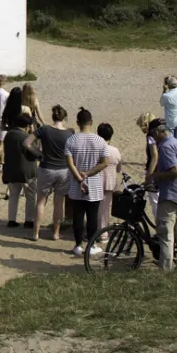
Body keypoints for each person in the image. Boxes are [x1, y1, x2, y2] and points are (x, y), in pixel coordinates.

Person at [64, 107, 110, 258]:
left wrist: (79, 178)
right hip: (94, 184)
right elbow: (104, 163)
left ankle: (78, 245)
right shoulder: (100, 141)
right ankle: (92, 245)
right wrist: (89, 173)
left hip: (76, 184)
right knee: (92, 216)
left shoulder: (71, 140)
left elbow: (70, 164)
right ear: (91, 122)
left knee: (77, 216)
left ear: (78, 122)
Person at [149, 117, 177, 270]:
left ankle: (165, 269)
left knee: (166, 234)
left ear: (157, 132)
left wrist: (155, 176)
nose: (153, 139)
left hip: (171, 196)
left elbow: (175, 172)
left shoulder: (166, 147)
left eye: (152, 135)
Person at [31, 105, 72, 241]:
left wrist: (39, 153)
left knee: (41, 201)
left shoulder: (44, 130)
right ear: (64, 117)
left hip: (46, 167)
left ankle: (35, 233)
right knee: (58, 203)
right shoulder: (69, 134)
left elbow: (26, 142)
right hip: (63, 169)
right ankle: (55, 233)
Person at [2, 113, 38, 228]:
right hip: (27, 171)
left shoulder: (8, 135)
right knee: (31, 196)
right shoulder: (26, 137)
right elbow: (35, 153)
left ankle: (11, 220)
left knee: (13, 195)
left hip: (11, 170)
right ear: (27, 126)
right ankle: (29, 220)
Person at [97, 122, 122, 231]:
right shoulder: (115, 150)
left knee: (97, 209)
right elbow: (118, 169)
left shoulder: (97, 149)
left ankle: (100, 232)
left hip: (97, 182)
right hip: (110, 182)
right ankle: (103, 231)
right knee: (105, 208)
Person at [138, 112, 160, 215]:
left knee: (156, 204)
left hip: (155, 174)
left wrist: (148, 177)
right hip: (162, 171)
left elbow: (154, 157)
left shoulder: (151, 136)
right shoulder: (160, 134)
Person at [160, 75, 177, 140]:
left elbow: (161, 103)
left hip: (171, 121)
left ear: (168, 85)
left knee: (170, 139)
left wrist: (164, 90)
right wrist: (173, 77)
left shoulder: (166, 96)